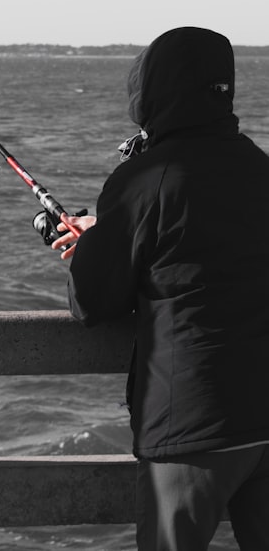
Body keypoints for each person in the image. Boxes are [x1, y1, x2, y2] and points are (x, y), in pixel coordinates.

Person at [52, 27, 269, 551]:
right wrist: (108, 234)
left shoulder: (143, 181)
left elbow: (92, 303)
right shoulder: (260, 168)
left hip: (192, 425)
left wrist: (91, 246)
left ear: (158, 90)